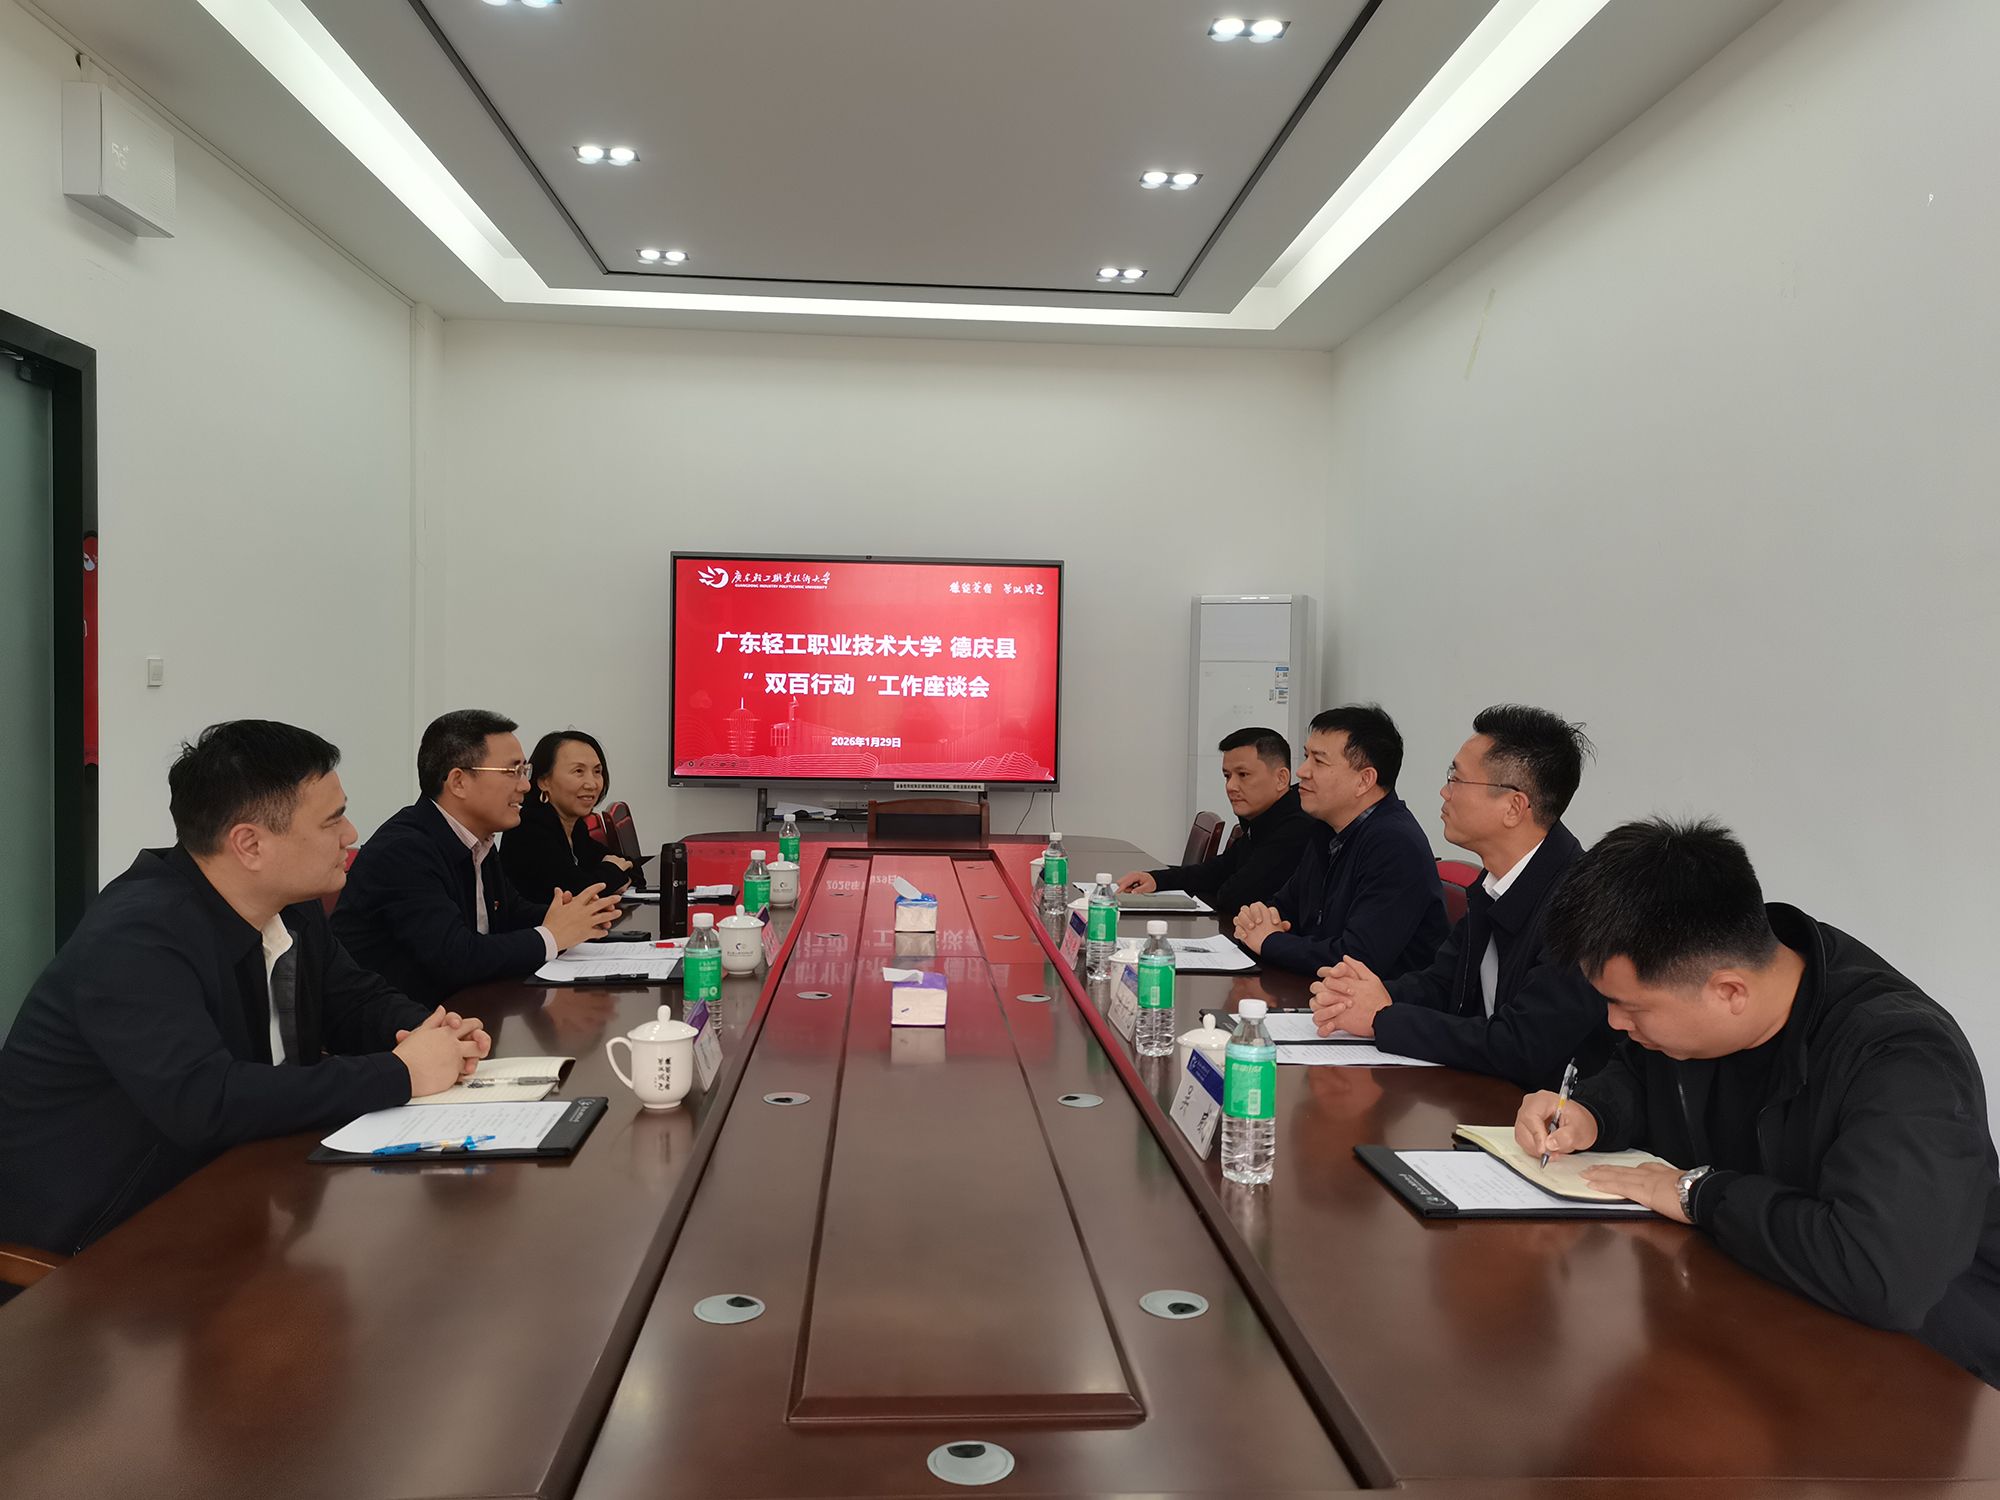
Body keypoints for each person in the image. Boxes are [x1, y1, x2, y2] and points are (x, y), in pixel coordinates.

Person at [1514, 818, 2000, 1386]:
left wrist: (1698, 1194)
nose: (1615, 1023)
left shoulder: (1902, 1059)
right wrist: (1592, 1114)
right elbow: (1642, 1075)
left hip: (1921, 1376)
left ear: (1729, 992)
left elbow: (1882, 1276)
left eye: (1631, 1007)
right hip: (1744, 1322)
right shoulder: (1705, 986)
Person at [0, 721, 487, 1262]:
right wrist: (399, 1073)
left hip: (241, 1195)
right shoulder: (136, 937)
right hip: (99, 1246)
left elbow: (353, 999)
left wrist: (430, 1030)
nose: (351, 834)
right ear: (250, 844)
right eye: (332, 820)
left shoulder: (292, 905)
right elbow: (206, 1101)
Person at [1307, 705, 1611, 1089]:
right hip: (1480, 1093)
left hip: (1545, 1113)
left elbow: (1522, 1045)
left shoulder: (1584, 904)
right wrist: (1362, 996)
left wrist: (1383, 1017)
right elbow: (1441, 984)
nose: (1444, 791)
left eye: (1456, 778)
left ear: (1513, 807)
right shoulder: (1495, 880)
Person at [333, 710, 622, 1006]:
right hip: (407, 1023)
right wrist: (552, 936)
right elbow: (456, 956)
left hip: (465, 1011)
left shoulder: (478, 840)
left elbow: (511, 913)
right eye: (513, 771)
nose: (525, 785)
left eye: (524, 771)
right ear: (458, 782)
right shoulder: (404, 851)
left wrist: (576, 916)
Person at [1232, 704, 1447, 979]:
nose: (1302, 771)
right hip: (1319, 992)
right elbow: (1284, 908)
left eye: (1318, 761)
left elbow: (1356, 958)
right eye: (1306, 756)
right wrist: (1257, 918)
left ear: (1364, 780)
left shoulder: (1395, 844)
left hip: (1383, 1002)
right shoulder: (1327, 829)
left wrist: (1269, 941)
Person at [1114, 727, 1313, 926]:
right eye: (1227, 776)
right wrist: (1156, 880)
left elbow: (1234, 896)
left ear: (1281, 779)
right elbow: (1217, 870)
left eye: (1243, 774)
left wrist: (1219, 884)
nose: (1230, 786)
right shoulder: (1261, 820)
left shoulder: (1296, 827)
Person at [499, 729, 639, 904]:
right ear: (544, 781)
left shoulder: (575, 826)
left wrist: (612, 875)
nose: (592, 784)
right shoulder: (528, 829)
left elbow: (631, 867)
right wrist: (612, 874)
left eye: (597, 771)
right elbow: (577, 893)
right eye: (578, 771)